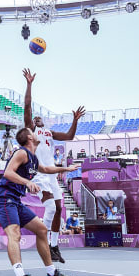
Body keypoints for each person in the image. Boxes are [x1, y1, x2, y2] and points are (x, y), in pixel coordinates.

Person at [0, 127, 75, 276]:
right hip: (5, 198)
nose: (37, 133)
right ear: (30, 137)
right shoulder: (21, 153)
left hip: (16, 200)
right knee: (15, 234)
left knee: (42, 230)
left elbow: (46, 170)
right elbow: (8, 173)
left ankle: (52, 275)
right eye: (33, 132)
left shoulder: (33, 159)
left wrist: (65, 169)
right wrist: (27, 182)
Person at [23, 68, 85, 265]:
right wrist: (29, 84)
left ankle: (54, 245)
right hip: (39, 173)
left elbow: (70, 136)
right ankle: (44, 241)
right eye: (34, 118)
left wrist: (75, 120)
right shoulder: (31, 131)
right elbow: (27, 107)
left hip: (52, 174)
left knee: (59, 208)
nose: (36, 118)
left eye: (38, 118)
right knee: (50, 207)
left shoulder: (49, 132)